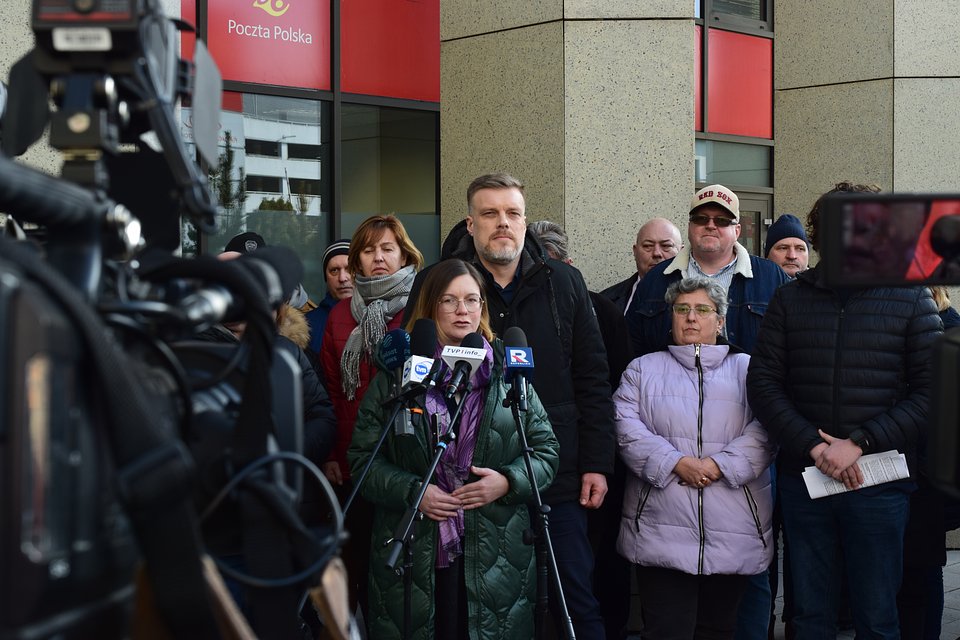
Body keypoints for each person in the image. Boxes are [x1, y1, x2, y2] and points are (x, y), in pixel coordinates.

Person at [403, 173, 615, 639]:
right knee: (485, 615)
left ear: (525, 222)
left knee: (571, 599)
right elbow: (408, 368)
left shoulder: (565, 282)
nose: (503, 223)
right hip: (467, 487)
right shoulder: (439, 283)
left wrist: (597, 462)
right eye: (490, 213)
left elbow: (593, 378)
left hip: (551, 476)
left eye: (513, 213)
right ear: (471, 223)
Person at [746, 182, 942, 639]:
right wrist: (815, 447)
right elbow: (765, 383)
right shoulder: (789, 299)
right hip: (806, 480)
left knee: (877, 616)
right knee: (810, 616)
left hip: (879, 483)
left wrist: (859, 442)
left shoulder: (910, 298)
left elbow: (934, 392)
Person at [347, 258, 559, 639]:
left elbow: (546, 453)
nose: (463, 311)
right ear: (430, 306)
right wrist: (416, 492)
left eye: (472, 300)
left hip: (496, 552)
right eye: (449, 300)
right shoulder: (398, 376)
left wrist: (508, 482)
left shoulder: (507, 374)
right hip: (415, 551)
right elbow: (363, 462)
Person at [626, 184, 789, 638]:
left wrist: (724, 464)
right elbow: (631, 371)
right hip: (669, 459)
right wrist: (674, 460)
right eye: (702, 219)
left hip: (745, 460)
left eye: (721, 220)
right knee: (671, 603)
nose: (711, 227)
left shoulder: (770, 278)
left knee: (747, 576)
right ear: (691, 227)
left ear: (738, 228)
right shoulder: (658, 279)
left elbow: (780, 378)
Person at [615, 276, 774, 640]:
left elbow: (766, 430)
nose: (691, 318)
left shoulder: (749, 369)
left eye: (702, 310)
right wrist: (675, 462)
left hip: (733, 527)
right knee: (666, 630)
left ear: (720, 321)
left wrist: (719, 465)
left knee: (718, 630)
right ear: (670, 318)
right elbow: (624, 428)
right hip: (660, 527)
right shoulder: (643, 370)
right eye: (682, 309)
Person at [528, 219, 634, 640]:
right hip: (507, 469)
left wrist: (596, 461)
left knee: (579, 585)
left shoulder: (596, 308)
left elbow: (601, 385)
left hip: (570, 470)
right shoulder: (479, 301)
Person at [320, 214, 423, 620]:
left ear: (403, 254)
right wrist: (331, 452)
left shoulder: (421, 304)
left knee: (400, 572)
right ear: (357, 260)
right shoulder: (341, 315)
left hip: (407, 459)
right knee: (357, 564)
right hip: (354, 460)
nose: (378, 258)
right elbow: (330, 388)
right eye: (368, 250)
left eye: (387, 249)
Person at [602, 217, 682, 314]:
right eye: (648, 246)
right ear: (635, 252)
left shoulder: (701, 295)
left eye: (666, 246)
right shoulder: (605, 301)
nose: (657, 253)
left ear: (681, 252)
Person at [305, 238, 353, 359]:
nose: (342, 278)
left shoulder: (379, 317)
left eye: (349, 269)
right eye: (334, 270)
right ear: (326, 277)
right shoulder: (307, 326)